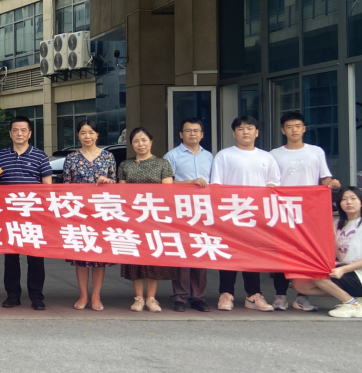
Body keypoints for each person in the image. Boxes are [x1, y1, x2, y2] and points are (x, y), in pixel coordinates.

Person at [269, 111, 341, 311]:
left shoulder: (316, 152)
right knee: (282, 255)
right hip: (283, 211)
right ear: (283, 130)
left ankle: (302, 296)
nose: (294, 130)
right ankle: (280, 296)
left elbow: (324, 178)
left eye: (298, 126)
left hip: (310, 212)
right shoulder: (274, 154)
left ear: (304, 129)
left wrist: (331, 183)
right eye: (289, 127)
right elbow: (271, 182)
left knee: (307, 253)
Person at [210, 115, 280, 312]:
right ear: (234, 133)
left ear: (257, 132)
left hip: (256, 214)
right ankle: (226, 294)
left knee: (253, 254)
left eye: (249, 128)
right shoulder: (224, 155)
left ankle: (253, 295)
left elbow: (274, 184)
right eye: (240, 129)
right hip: (230, 213)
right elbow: (216, 185)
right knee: (228, 254)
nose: (245, 132)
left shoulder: (267, 157)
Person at [289, 187, 362, 318]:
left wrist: (343, 269)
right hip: (345, 269)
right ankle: (353, 297)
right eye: (344, 199)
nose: (349, 202)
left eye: (353, 198)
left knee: (318, 275)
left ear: (361, 202)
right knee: (300, 284)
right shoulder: (338, 224)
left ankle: (352, 305)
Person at [0, 116, 52, 310]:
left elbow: (47, 187)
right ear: (10, 133)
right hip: (9, 215)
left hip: (33, 215)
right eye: (15, 130)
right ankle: (12, 295)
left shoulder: (40, 156)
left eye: (23, 130)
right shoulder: (0, 157)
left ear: (30, 134)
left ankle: (36, 296)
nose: (19, 133)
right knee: (11, 257)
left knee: (36, 257)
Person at [117, 127, 177, 312]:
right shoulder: (125, 165)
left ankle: (151, 298)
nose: (140, 144)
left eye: (144, 140)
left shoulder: (162, 164)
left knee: (153, 255)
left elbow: (167, 192)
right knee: (135, 256)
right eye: (136, 141)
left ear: (151, 142)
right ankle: (138, 298)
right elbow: (122, 193)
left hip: (155, 217)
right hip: (133, 217)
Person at [62, 121, 116, 312]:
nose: (87, 136)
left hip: (101, 212)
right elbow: (65, 185)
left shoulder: (108, 156)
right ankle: (83, 294)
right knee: (82, 256)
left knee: (99, 256)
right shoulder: (71, 158)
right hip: (80, 213)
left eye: (91, 132)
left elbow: (116, 183)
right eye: (83, 133)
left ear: (97, 135)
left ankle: (96, 295)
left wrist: (108, 182)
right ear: (78, 135)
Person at [163, 117, 214, 312]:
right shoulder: (172, 156)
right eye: (188, 130)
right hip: (180, 210)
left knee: (201, 251)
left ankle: (198, 297)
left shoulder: (209, 157)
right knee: (182, 253)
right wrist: (190, 183)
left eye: (196, 130)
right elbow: (165, 184)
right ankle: (180, 296)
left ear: (202, 134)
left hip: (204, 210)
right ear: (181, 134)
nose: (192, 134)